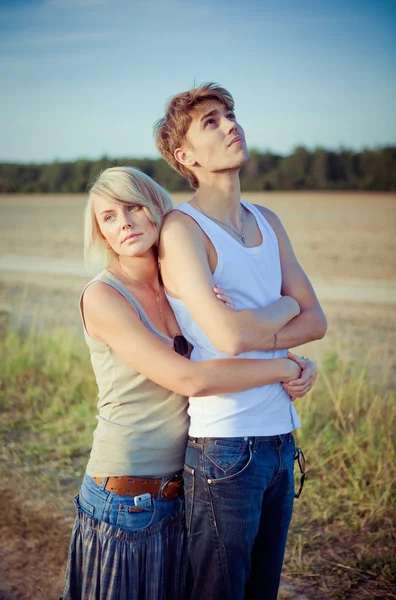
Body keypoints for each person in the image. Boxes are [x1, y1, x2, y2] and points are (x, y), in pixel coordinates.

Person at [61, 166, 314, 600]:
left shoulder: (183, 287)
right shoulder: (104, 297)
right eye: (108, 217)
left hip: (186, 489)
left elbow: (233, 337)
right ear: (101, 234)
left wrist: (287, 349)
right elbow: (191, 377)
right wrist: (284, 365)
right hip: (127, 498)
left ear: (159, 209)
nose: (123, 222)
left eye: (134, 206)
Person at [154, 83, 327, 599]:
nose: (232, 125)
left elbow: (317, 320)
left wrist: (266, 326)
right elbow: (229, 338)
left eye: (230, 115)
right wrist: (283, 307)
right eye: (212, 121)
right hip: (226, 447)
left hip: (280, 439)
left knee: (262, 592)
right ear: (185, 156)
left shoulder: (267, 221)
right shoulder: (183, 230)